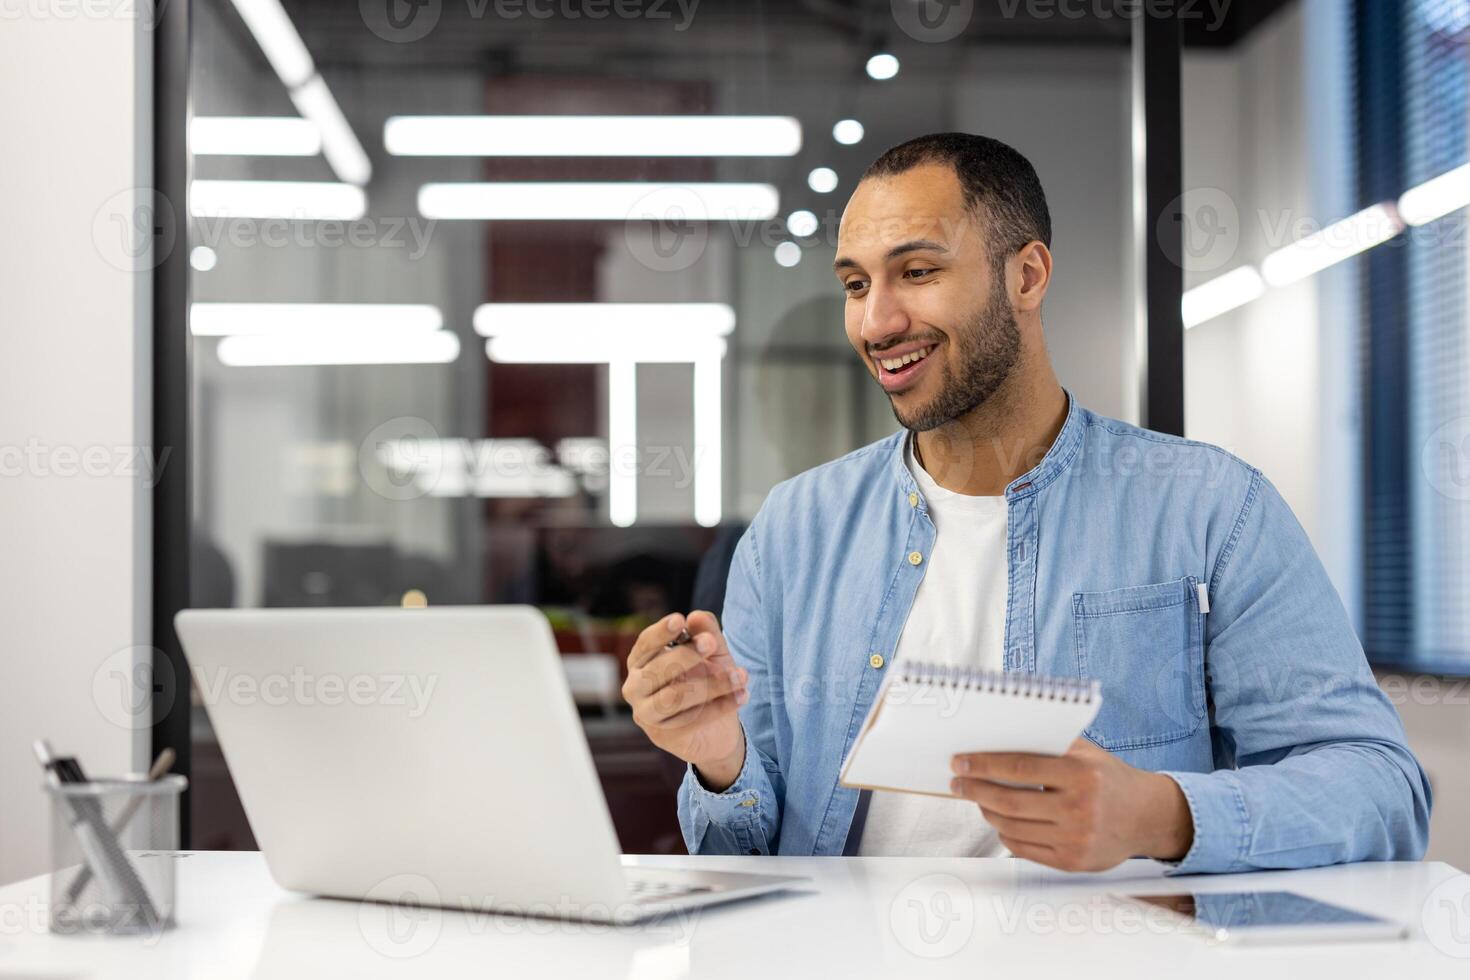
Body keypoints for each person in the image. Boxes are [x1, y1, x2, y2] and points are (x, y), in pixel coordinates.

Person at [621, 133, 1431, 872]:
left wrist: (1162, 814)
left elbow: (1381, 789)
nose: (876, 321)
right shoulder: (795, 532)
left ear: (1027, 275)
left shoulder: (1210, 509)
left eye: (918, 272)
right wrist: (717, 758)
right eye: (857, 283)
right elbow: (741, 850)